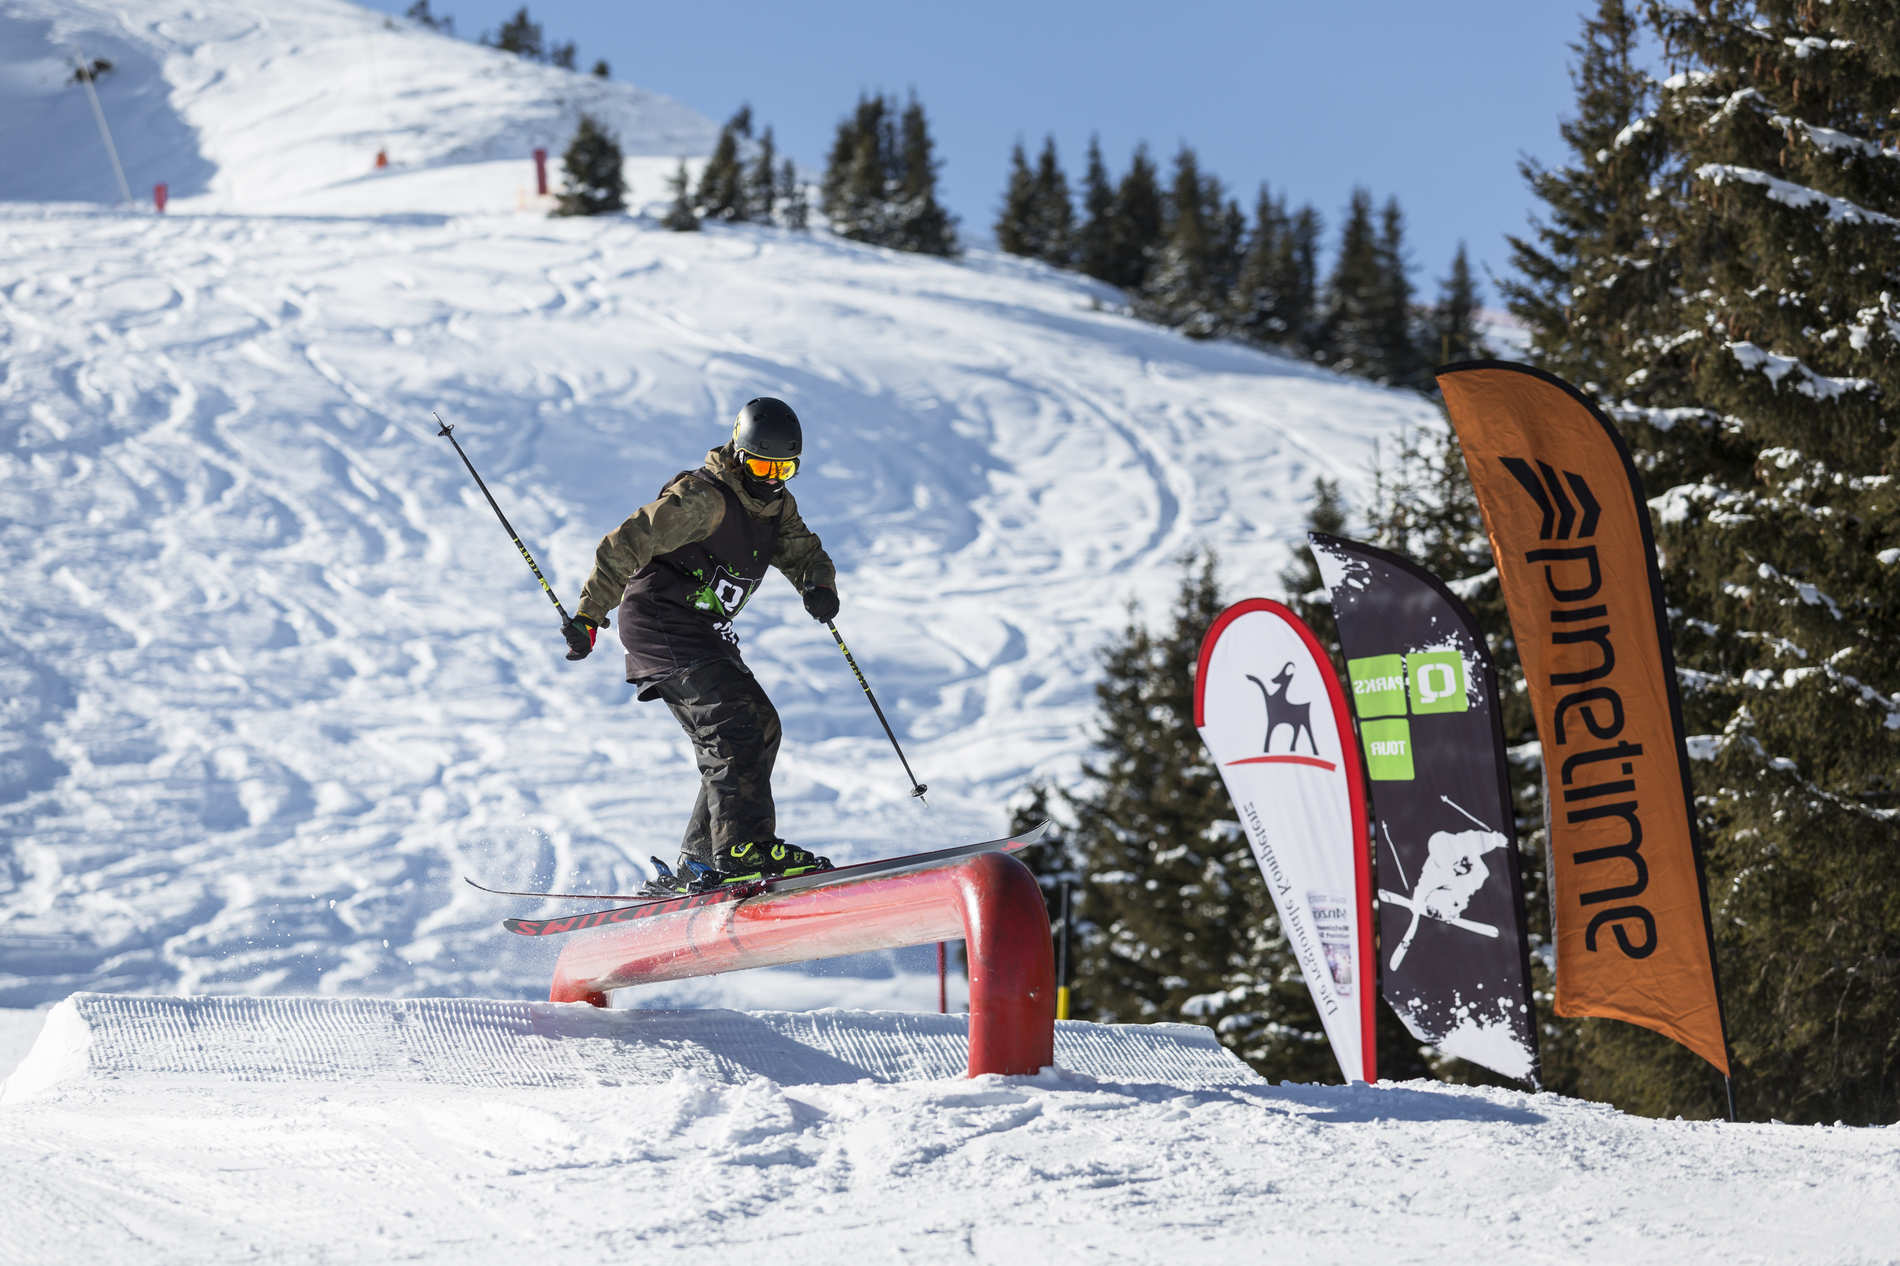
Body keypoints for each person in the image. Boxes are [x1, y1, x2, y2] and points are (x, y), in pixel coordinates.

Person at [561, 397, 839, 891]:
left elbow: (802, 549)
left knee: (760, 725)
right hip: (661, 621)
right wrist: (589, 614)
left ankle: (701, 857)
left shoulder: (774, 505)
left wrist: (817, 584)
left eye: (784, 469)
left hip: (704, 629)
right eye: (759, 464)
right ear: (738, 451)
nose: (770, 478)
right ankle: (742, 847)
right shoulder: (704, 499)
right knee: (730, 724)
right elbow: (625, 542)